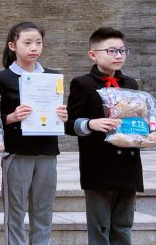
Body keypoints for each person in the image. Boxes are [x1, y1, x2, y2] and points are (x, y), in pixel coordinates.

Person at [65, 27, 143, 245]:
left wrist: (145, 131)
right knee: (100, 226)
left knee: (124, 224)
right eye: (111, 51)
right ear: (93, 54)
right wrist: (90, 123)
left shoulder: (131, 84)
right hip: (98, 164)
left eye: (122, 51)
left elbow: (137, 118)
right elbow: (69, 124)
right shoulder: (83, 83)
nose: (119, 56)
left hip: (128, 164)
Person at [0, 22, 67, 245]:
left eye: (38, 43)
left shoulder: (52, 77)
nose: (34, 47)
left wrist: (63, 115)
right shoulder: (2, 78)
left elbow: (61, 113)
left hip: (47, 151)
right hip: (18, 151)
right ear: (12, 46)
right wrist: (12, 117)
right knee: (15, 211)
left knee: (44, 209)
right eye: (27, 43)